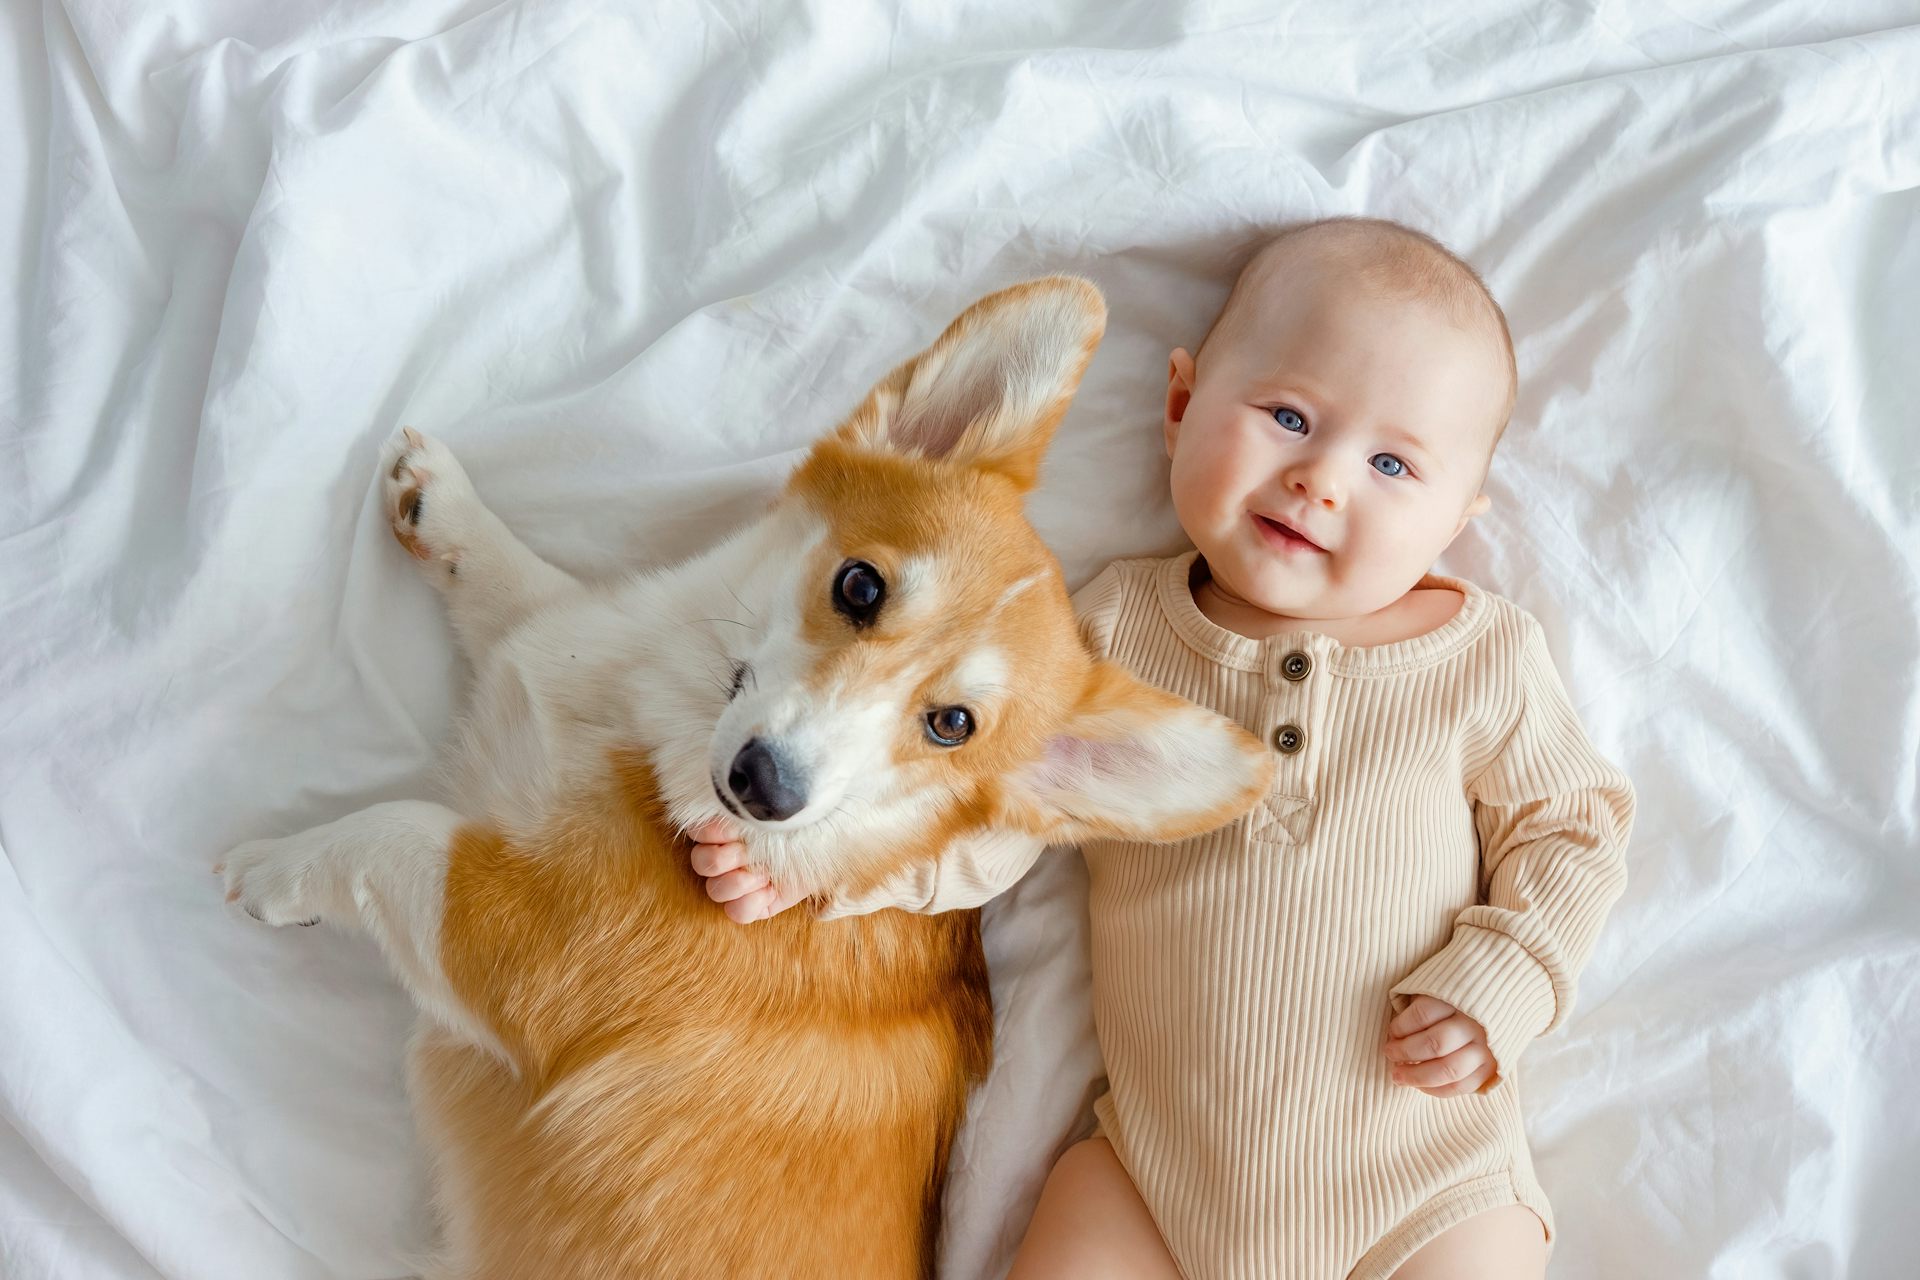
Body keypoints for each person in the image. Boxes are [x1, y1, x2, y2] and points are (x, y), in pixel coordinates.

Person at [692, 217, 1634, 1279]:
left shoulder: (1480, 657)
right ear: (1180, 408)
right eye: (1287, 415)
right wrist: (827, 864)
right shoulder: (1106, 636)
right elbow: (992, 809)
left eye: (1389, 463)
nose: (1322, 478)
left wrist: (1505, 976)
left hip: (1423, 1184)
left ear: (1456, 516)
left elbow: (1573, 830)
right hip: (1155, 1180)